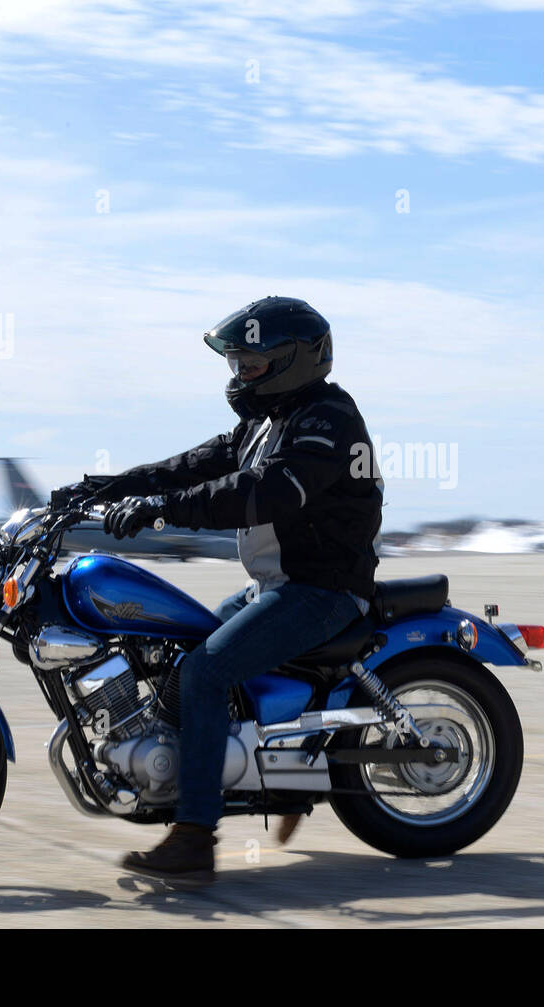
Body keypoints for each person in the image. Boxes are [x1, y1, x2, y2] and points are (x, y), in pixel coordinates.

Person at [50, 296, 382, 884]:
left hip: (323, 591)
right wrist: (101, 488)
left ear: (294, 358)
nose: (240, 373)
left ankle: (194, 837)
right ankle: (255, 778)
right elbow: (189, 465)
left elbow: (265, 490)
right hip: (277, 586)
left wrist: (160, 511)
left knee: (206, 672)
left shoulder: (328, 420)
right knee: (181, 653)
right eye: (236, 362)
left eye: (252, 361)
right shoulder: (264, 423)